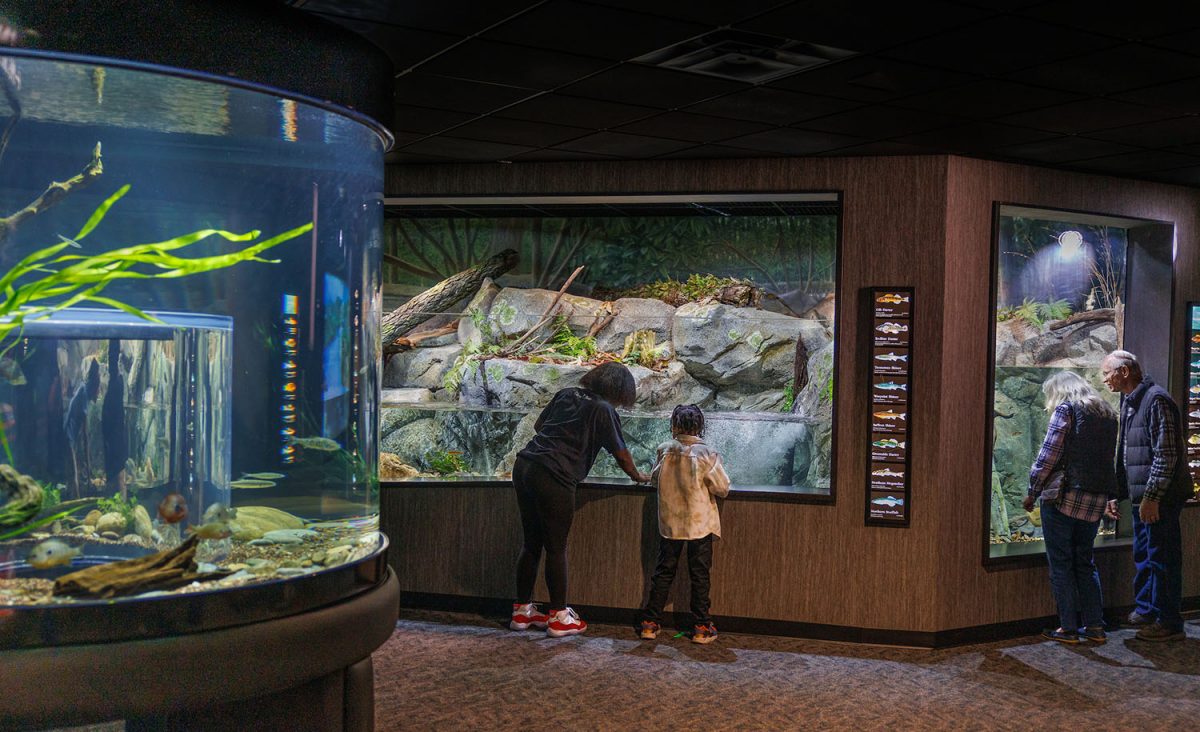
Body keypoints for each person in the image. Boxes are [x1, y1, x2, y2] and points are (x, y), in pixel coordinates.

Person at [510, 361, 650, 638]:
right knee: (556, 546)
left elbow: (540, 426)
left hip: (525, 466)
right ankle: (560, 617)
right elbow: (620, 453)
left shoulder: (567, 393)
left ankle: (522, 611)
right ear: (620, 391)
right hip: (554, 475)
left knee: (531, 543)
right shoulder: (603, 409)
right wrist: (638, 476)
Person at [1101, 349, 1191, 642]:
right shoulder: (1131, 402)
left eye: (1107, 373)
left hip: (1160, 498)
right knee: (1144, 555)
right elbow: (1127, 453)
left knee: (1161, 557)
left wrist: (1153, 497)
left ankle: (1168, 621)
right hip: (1143, 496)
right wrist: (1118, 493)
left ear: (1124, 371)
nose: (1104, 380)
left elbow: (1166, 454)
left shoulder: (1156, 400)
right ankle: (1148, 610)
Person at [1023, 371, 1118, 645]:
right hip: (1095, 500)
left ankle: (1068, 628)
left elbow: (1048, 455)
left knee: (1061, 564)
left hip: (1064, 497)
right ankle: (1095, 627)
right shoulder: (1107, 413)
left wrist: (1033, 490)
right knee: (1085, 563)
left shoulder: (1066, 409)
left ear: (1059, 391)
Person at [639, 404, 730, 644]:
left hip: (670, 524)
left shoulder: (665, 450)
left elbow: (655, 479)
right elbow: (722, 488)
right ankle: (701, 626)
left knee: (663, 572)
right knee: (699, 575)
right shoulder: (707, 453)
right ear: (700, 426)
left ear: (674, 426)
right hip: (699, 525)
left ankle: (650, 622)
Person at [64, 357, 101, 498]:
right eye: (98, 388)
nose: (99, 392)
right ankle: (76, 507)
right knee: (74, 476)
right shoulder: (84, 392)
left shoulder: (83, 388)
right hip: (69, 436)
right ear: (95, 386)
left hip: (71, 436)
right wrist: (89, 462)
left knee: (74, 474)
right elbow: (85, 433)